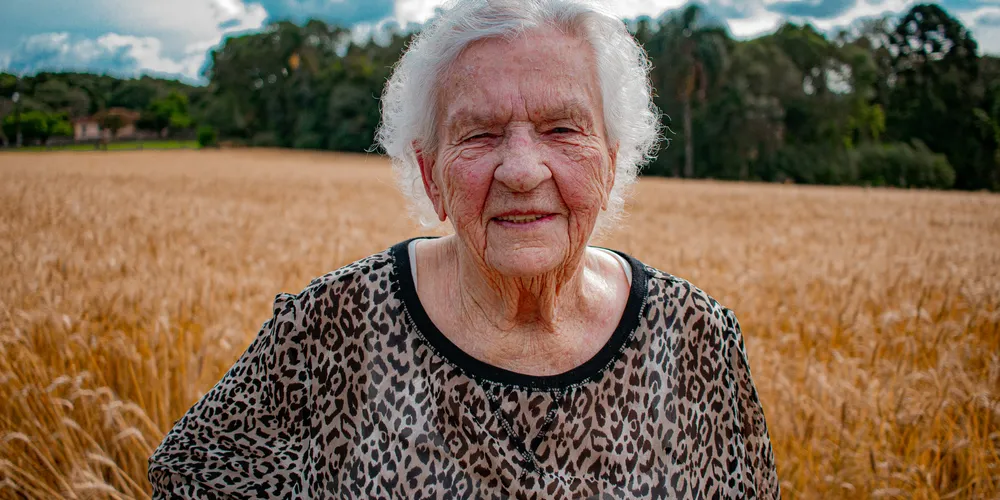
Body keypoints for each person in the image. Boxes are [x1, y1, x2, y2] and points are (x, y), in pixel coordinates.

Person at [148, 0, 779, 497]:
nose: (523, 170)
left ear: (610, 165)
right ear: (431, 176)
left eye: (563, 129)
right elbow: (192, 473)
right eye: (479, 134)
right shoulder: (334, 325)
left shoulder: (695, 336)